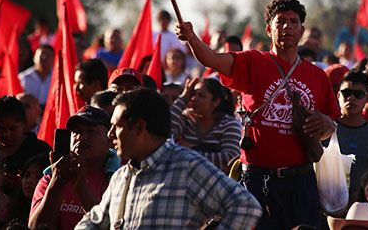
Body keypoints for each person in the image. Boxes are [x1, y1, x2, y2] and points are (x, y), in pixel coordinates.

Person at [176, 0, 338, 229]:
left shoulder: (317, 76)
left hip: (301, 180)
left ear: (302, 30)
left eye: (293, 22)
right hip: (258, 180)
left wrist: (326, 124)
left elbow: (330, 127)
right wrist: (191, 38)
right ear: (268, 29)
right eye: (280, 21)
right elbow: (212, 59)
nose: (287, 27)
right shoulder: (253, 62)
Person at [75, 88, 262, 229]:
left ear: (139, 127)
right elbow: (95, 221)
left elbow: (245, 206)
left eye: (116, 127)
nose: (110, 135)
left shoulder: (187, 167)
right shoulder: (121, 177)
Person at [29, 106, 120, 230]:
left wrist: (81, 187)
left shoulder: (118, 179)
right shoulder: (50, 178)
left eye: (91, 131)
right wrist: (56, 184)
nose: (82, 137)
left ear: (109, 139)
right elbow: (35, 227)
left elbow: (111, 225)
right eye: (77, 131)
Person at [170, 78, 241, 171]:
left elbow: (230, 158)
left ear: (216, 101)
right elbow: (166, 132)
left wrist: (190, 150)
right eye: (193, 94)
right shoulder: (187, 119)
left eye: (201, 96)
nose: (194, 99)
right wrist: (184, 97)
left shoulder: (229, 124)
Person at [333, 70, 368, 205]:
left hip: (362, 208)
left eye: (358, 94)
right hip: (325, 209)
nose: (351, 98)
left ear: (367, 97)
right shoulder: (325, 130)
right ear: (338, 95)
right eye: (346, 93)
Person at [0, 97, 51, 200]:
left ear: (24, 125)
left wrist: (25, 184)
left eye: (13, 129)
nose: (6, 134)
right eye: (0, 129)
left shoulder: (39, 150)